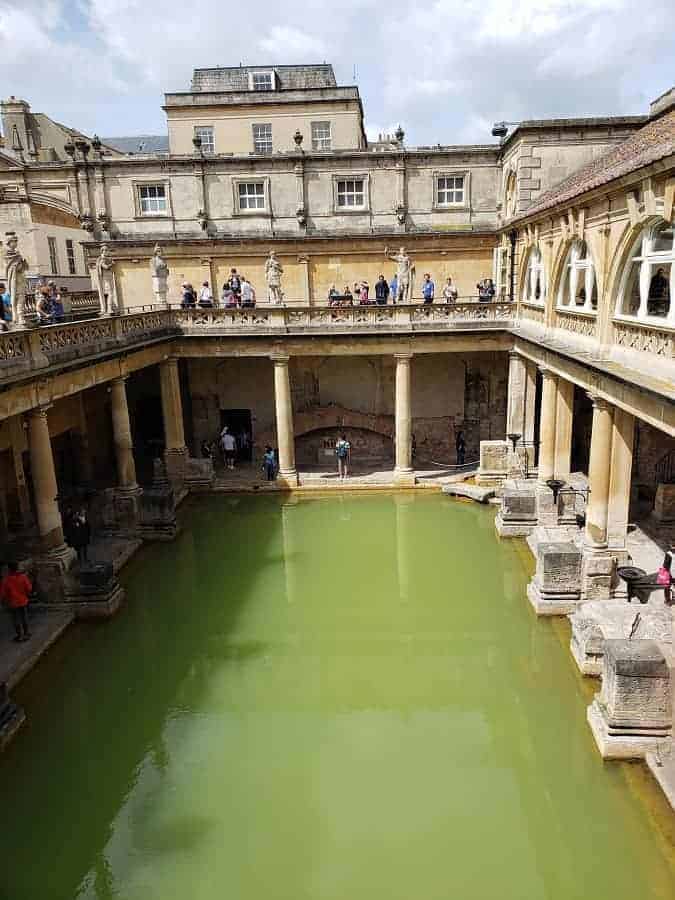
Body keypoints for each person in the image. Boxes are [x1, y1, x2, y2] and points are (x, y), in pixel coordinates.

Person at [0, 562, 32, 642]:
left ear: (9, 569)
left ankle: (20, 636)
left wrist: (4, 602)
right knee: (24, 617)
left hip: (12, 603)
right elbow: (29, 588)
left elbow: (2, 594)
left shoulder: (6, 580)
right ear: (17, 568)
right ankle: (26, 633)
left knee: (15, 619)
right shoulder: (23, 577)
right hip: (23, 601)